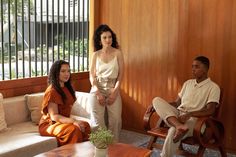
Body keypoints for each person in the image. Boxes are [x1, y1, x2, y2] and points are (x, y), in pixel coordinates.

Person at [152, 56, 220, 157]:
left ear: (206, 69)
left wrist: (190, 114)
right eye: (192, 66)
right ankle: (179, 125)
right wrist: (159, 106)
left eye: (196, 67)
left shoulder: (213, 87)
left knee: (173, 130)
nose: (193, 69)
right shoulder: (187, 83)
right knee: (156, 100)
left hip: (195, 121)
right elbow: (177, 103)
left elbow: (210, 110)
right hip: (178, 115)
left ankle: (166, 153)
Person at [38, 60, 91, 146]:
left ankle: (85, 152)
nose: (67, 74)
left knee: (85, 125)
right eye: (63, 71)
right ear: (56, 73)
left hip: (61, 122)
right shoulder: (52, 91)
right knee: (74, 130)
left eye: (68, 71)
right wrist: (73, 121)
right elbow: (54, 116)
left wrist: (74, 121)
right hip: (50, 124)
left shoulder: (67, 88)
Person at [89, 24, 124, 142]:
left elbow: (121, 75)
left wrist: (115, 92)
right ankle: (102, 148)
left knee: (116, 121)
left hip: (112, 87)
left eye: (110, 37)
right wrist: (97, 93)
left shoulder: (118, 53)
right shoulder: (95, 55)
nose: (108, 40)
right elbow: (91, 75)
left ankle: (113, 148)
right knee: (98, 122)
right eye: (104, 37)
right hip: (97, 88)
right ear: (99, 40)